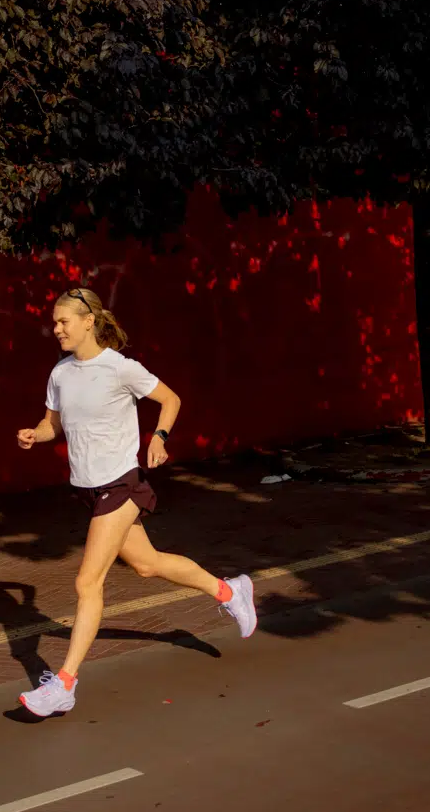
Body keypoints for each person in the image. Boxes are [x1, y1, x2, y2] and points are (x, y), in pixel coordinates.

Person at [14, 286, 256, 717]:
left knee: (87, 583)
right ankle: (229, 590)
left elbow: (171, 399)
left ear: (88, 321)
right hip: (88, 488)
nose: (56, 329)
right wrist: (36, 434)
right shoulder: (61, 373)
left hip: (122, 484)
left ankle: (64, 684)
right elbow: (52, 424)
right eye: (54, 322)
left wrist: (159, 438)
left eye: (63, 321)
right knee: (147, 564)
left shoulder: (120, 368)